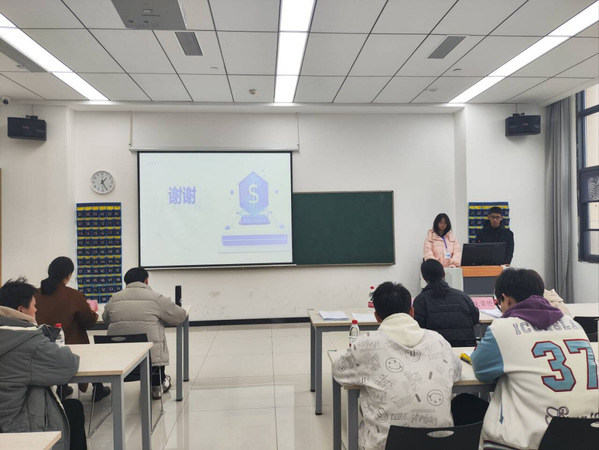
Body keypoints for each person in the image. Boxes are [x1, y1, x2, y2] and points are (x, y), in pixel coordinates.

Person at [471, 268, 599, 449]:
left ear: (506, 298)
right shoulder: (573, 324)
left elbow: (481, 371)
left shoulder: (503, 328)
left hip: (532, 440)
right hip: (587, 435)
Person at [332, 282, 461, 450]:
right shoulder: (438, 340)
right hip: (440, 444)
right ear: (412, 312)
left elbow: (338, 371)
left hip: (387, 445)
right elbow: (457, 372)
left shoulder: (366, 344)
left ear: (377, 317)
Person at [0, 277, 87, 450]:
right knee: (74, 408)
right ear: (21, 310)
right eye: (34, 305)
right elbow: (68, 364)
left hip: (6, 415)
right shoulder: (28, 341)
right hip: (18, 424)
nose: (36, 310)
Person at [35, 256, 111, 402]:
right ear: (69, 275)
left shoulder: (35, 295)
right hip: (70, 349)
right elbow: (88, 320)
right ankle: (98, 387)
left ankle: (63, 387)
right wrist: (93, 313)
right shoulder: (73, 295)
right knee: (82, 340)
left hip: (41, 349)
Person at [103, 267, 187, 399]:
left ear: (126, 282)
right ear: (146, 281)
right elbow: (180, 316)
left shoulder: (114, 298)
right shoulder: (156, 298)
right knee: (155, 337)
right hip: (150, 361)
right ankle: (157, 386)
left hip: (119, 358)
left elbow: (106, 319)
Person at [413, 259, 479, 346]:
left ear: (424, 277)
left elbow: (418, 328)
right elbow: (475, 319)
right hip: (466, 347)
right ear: (444, 273)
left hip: (436, 348)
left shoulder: (420, 300)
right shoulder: (463, 296)